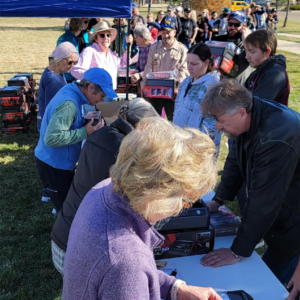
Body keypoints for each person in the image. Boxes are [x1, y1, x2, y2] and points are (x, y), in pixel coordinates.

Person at [62, 116, 222, 300]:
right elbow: (128, 270)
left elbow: (132, 276)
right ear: (157, 194)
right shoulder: (127, 260)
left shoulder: (103, 189)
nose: (181, 209)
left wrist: (175, 288)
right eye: (186, 201)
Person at [199, 79, 300, 299]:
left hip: (293, 223)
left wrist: (238, 251)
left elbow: (265, 199)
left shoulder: (276, 136)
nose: (217, 126)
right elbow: (234, 161)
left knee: (273, 289)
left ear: (242, 112)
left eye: (220, 119)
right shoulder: (245, 120)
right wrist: (218, 200)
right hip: (278, 215)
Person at [51, 98, 159, 274]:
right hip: (77, 249)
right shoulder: (127, 153)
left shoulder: (102, 133)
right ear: (145, 127)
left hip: (63, 233)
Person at [35, 68, 117, 213]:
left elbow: (67, 121)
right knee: (65, 210)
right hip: (54, 165)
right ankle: (62, 233)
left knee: (67, 204)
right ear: (90, 87)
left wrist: (84, 122)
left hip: (59, 162)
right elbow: (52, 138)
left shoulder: (72, 90)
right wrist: (84, 132)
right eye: (102, 95)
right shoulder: (69, 104)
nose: (102, 100)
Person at [173, 43, 221, 153]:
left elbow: (212, 125)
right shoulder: (186, 81)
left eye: (194, 64)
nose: (189, 67)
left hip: (198, 149)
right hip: (180, 144)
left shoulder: (213, 86)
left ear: (206, 63)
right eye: (187, 63)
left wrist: (199, 148)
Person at [71, 22, 134, 99]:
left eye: (108, 35)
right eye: (102, 35)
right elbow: (76, 70)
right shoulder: (89, 51)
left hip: (110, 93)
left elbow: (124, 63)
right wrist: (93, 80)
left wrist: (129, 47)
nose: (106, 38)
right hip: (95, 96)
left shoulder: (111, 54)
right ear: (96, 39)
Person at [142, 21, 189, 119]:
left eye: (168, 32)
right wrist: (144, 86)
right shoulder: (154, 48)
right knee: (154, 122)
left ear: (174, 32)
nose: (165, 35)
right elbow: (148, 68)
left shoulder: (182, 49)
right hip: (155, 92)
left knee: (174, 122)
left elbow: (184, 71)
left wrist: (178, 89)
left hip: (172, 94)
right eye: (163, 33)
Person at [37, 42, 78, 132]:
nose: (72, 66)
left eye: (75, 62)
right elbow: (52, 110)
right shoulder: (53, 80)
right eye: (70, 62)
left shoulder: (56, 71)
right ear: (59, 59)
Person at [244, 30, 290, 105]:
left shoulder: (275, 73)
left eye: (252, 52)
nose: (247, 56)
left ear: (267, 52)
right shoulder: (256, 72)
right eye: (246, 51)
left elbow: (256, 105)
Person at [212, 10, 253, 85]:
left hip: (240, 90)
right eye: (230, 24)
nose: (232, 27)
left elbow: (254, 57)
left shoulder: (247, 44)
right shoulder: (219, 41)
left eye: (237, 25)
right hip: (221, 87)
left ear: (244, 26)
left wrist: (246, 39)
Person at [57, 18, 84, 82]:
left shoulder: (62, 37)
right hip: (68, 73)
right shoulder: (72, 39)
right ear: (78, 29)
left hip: (60, 70)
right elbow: (73, 57)